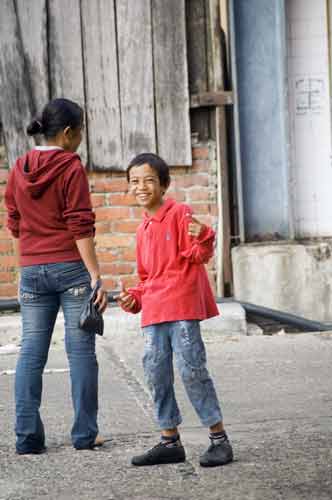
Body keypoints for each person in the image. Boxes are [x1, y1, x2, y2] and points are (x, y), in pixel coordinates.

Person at [116, 152, 233, 467]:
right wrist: (133, 299)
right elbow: (145, 279)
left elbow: (199, 254)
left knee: (191, 370)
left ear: (164, 184)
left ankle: (219, 440)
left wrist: (205, 235)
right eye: (135, 182)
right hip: (153, 311)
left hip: (181, 307)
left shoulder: (180, 213)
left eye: (149, 181)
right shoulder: (141, 230)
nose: (141, 187)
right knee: (155, 372)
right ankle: (170, 440)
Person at [5, 98, 108, 455]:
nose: (80, 139)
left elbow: (14, 224)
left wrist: (25, 270)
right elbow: (80, 225)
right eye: (80, 133)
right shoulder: (69, 166)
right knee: (80, 351)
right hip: (70, 268)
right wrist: (96, 275)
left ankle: (27, 438)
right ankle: (84, 435)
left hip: (32, 270)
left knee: (31, 352)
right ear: (67, 134)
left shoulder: (19, 167)